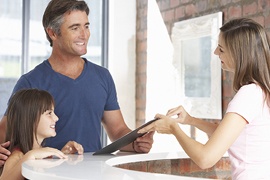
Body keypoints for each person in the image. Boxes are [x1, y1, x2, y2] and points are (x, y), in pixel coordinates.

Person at [0, 0, 154, 166]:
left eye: (86, 26)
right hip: (48, 175)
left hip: (94, 175)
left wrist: (136, 143)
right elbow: (5, 134)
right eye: (75, 28)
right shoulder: (31, 82)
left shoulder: (102, 76)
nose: (84, 34)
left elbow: (117, 130)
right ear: (53, 33)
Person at [138, 18, 270, 179]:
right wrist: (190, 120)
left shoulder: (248, 94)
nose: (215, 52)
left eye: (221, 49)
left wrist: (173, 128)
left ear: (238, 54)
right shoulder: (261, 91)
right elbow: (228, 134)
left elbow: (205, 159)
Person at [0, 89, 84, 180]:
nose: (56, 118)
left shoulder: (41, 152)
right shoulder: (17, 156)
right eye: (49, 113)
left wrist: (61, 155)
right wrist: (31, 155)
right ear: (30, 119)